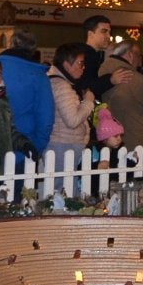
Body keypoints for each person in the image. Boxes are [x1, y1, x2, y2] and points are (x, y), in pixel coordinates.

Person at [45, 43, 96, 183]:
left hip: (64, 143)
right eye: (80, 63)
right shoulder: (61, 86)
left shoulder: (59, 82)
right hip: (63, 144)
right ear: (67, 64)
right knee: (62, 189)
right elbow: (72, 120)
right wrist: (88, 101)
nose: (83, 68)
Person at [0, 30, 52, 158]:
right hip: (24, 147)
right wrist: (37, 146)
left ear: (11, 44)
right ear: (33, 49)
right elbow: (45, 118)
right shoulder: (39, 76)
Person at [99, 40, 143, 152]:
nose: (140, 62)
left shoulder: (102, 71)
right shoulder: (133, 77)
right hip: (137, 139)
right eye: (139, 56)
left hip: (110, 139)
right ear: (130, 54)